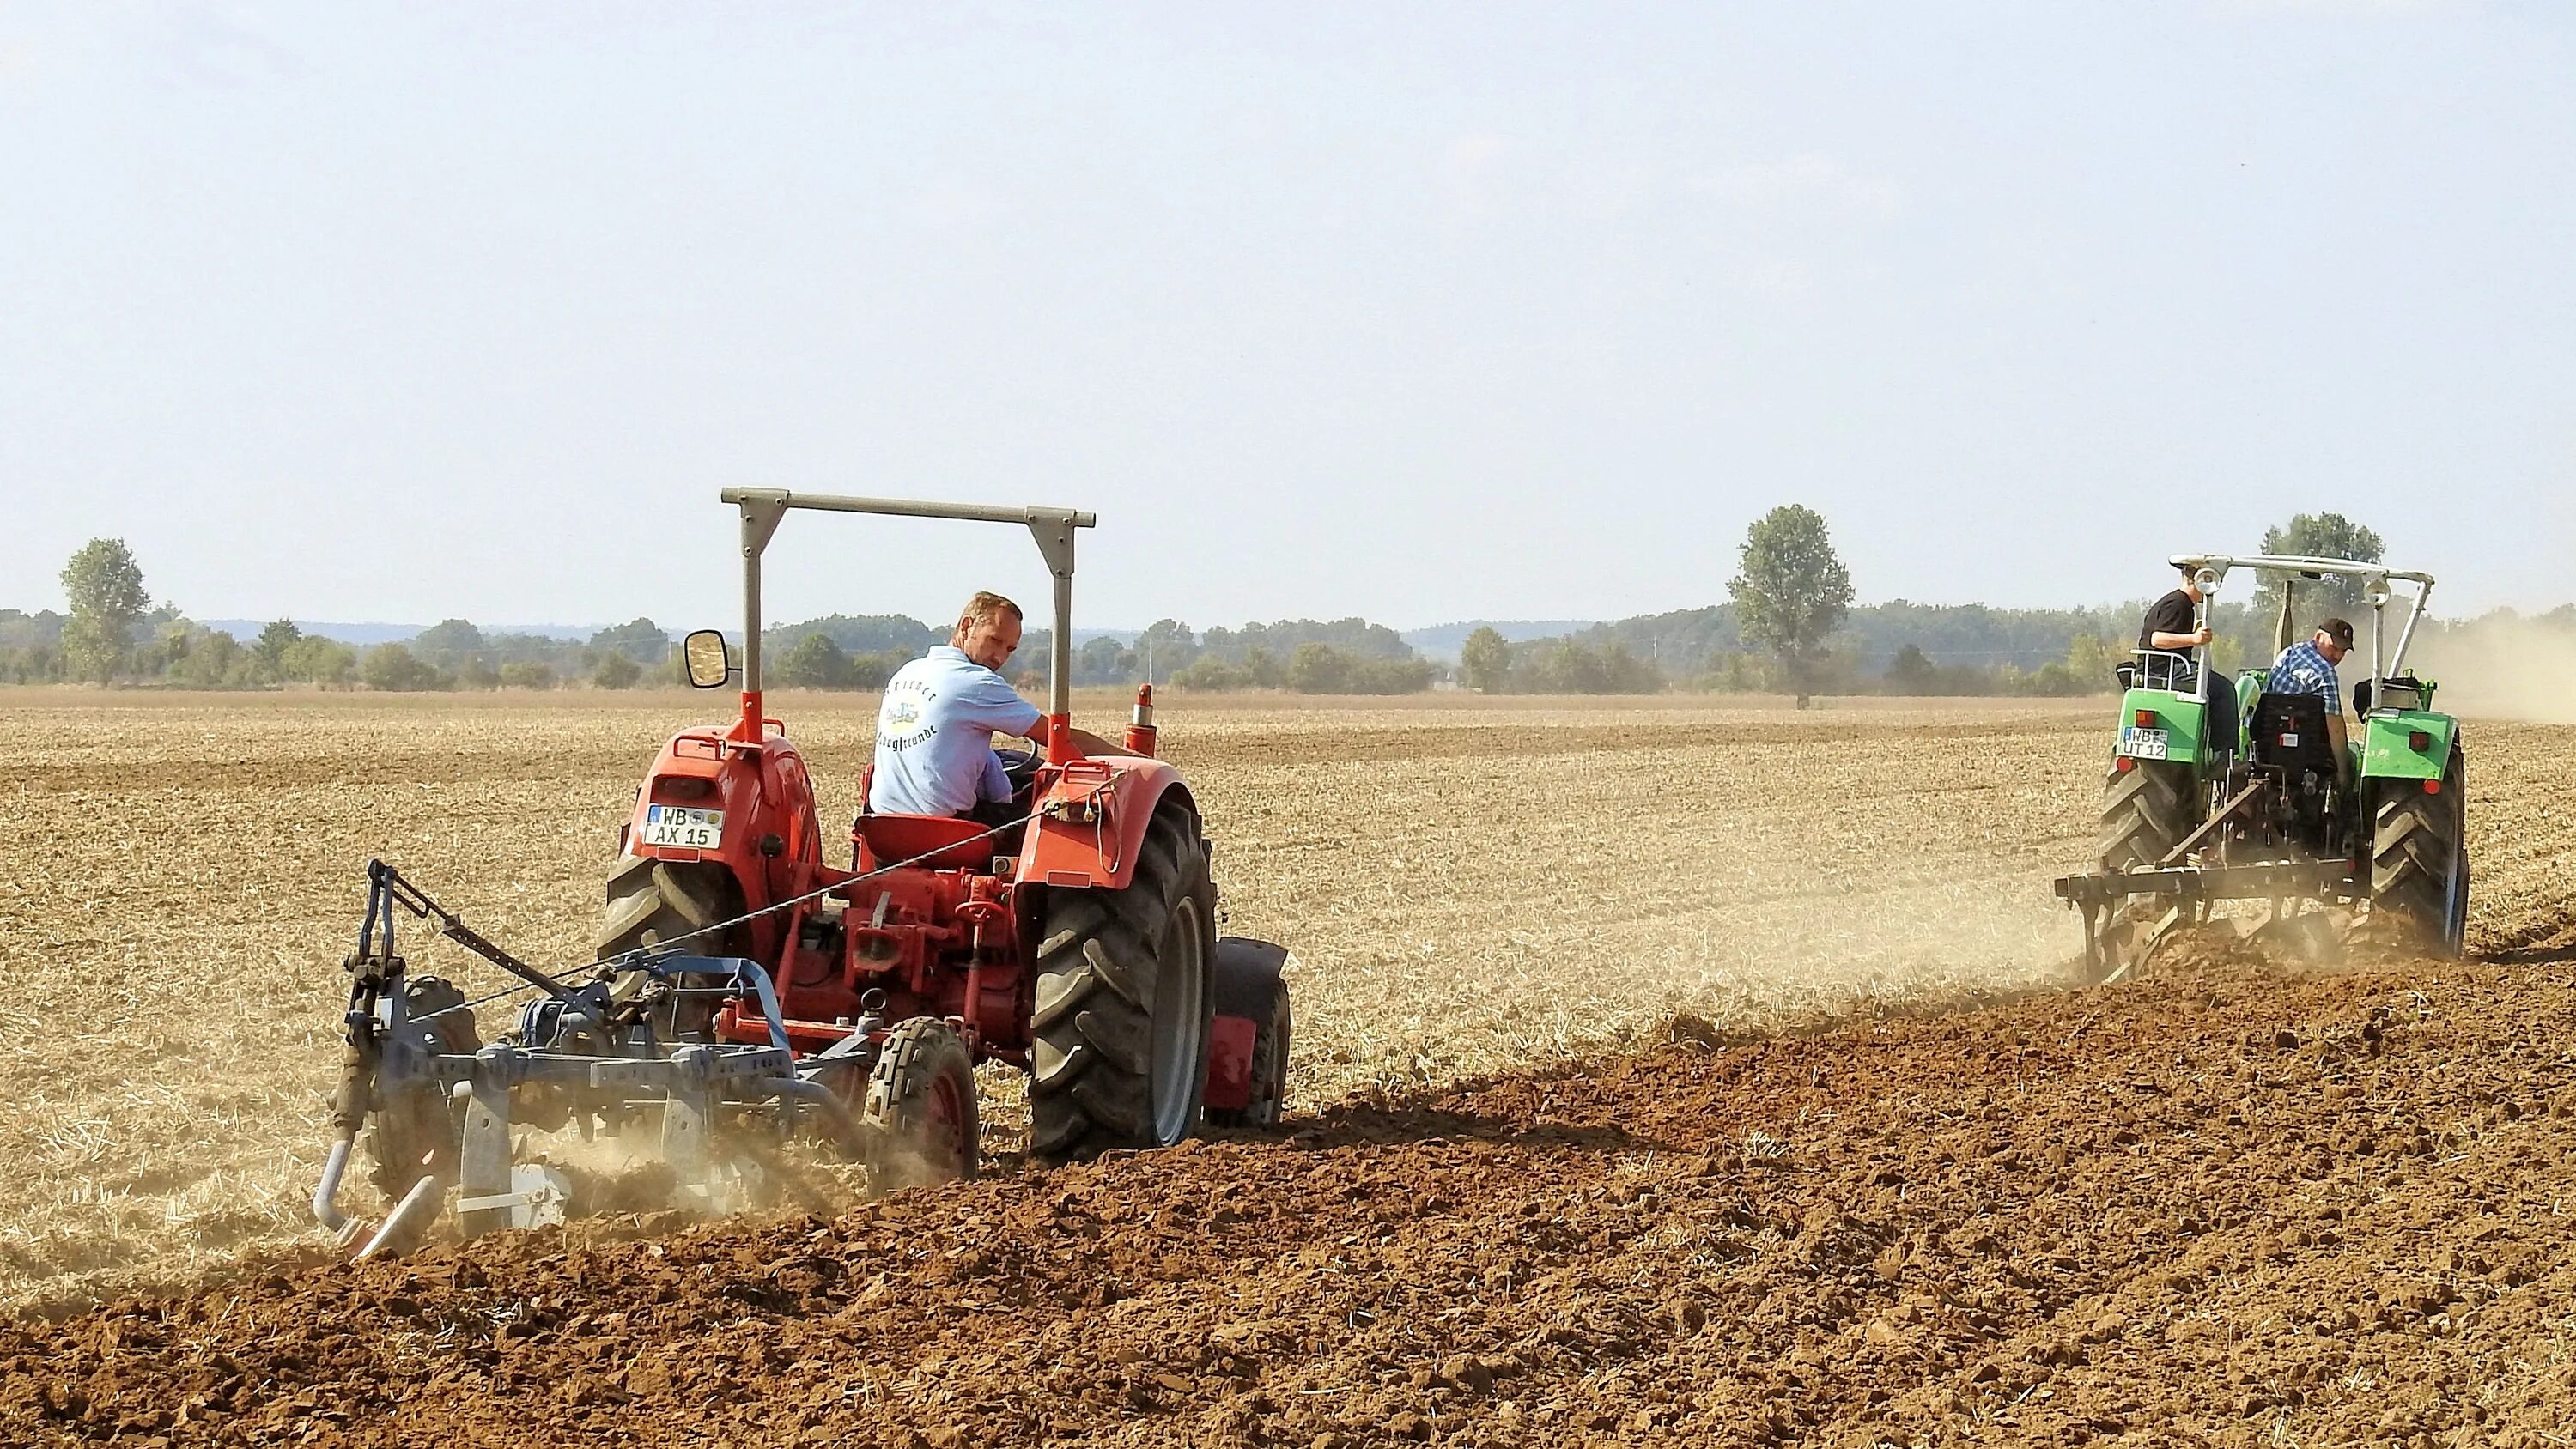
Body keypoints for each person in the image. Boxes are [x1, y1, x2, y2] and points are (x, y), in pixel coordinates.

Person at [869, 591, 1132, 818]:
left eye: (1010, 649)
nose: (1000, 657)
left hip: (883, 825)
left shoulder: (907, 672)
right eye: (995, 640)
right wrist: (1131, 759)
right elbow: (1057, 737)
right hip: (948, 829)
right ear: (966, 626)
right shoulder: (976, 682)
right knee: (1043, 806)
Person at [2136, 560, 2236, 758]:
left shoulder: (2175, 603)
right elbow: (2158, 638)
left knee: (2210, 681)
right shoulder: (2179, 604)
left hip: (2164, 668)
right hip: (2169, 671)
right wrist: (2194, 638)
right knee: (2224, 690)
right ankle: (2223, 755)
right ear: (2196, 581)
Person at [2267, 617, 2357, 783]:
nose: (2337, 655)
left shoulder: (2287, 654)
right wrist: (2343, 773)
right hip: (2310, 752)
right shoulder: (2325, 672)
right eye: (2334, 647)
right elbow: (2334, 726)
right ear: (2318, 637)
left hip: (2270, 745)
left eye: (2343, 651)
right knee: (2351, 759)